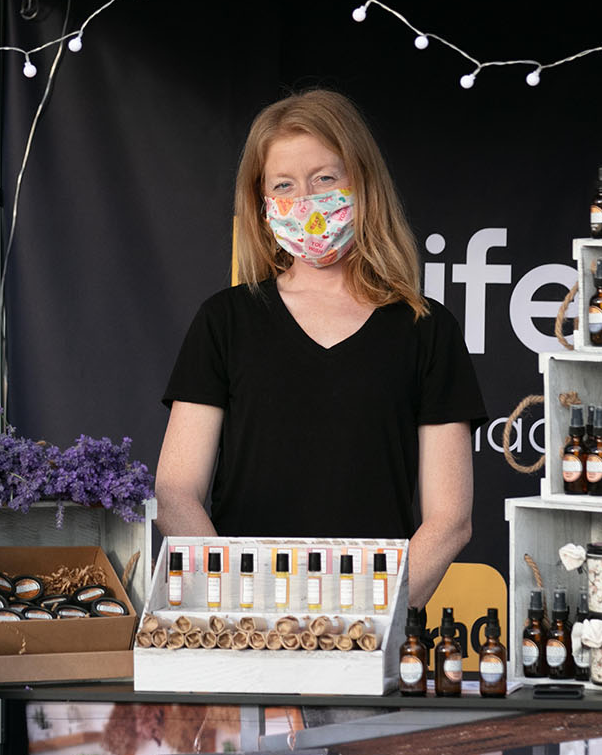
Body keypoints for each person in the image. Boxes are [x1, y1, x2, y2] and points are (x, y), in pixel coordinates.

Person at [154, 89, 486, 606]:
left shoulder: (427, 329)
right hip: (247, 636)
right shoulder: (225, 322)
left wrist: (365, 622)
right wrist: (241, 607)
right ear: (262, 206)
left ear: (363, 183)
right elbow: (176, 494)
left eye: (324, 179)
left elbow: (450, 522)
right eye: (283, 185)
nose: (305, 202)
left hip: (373, 641)